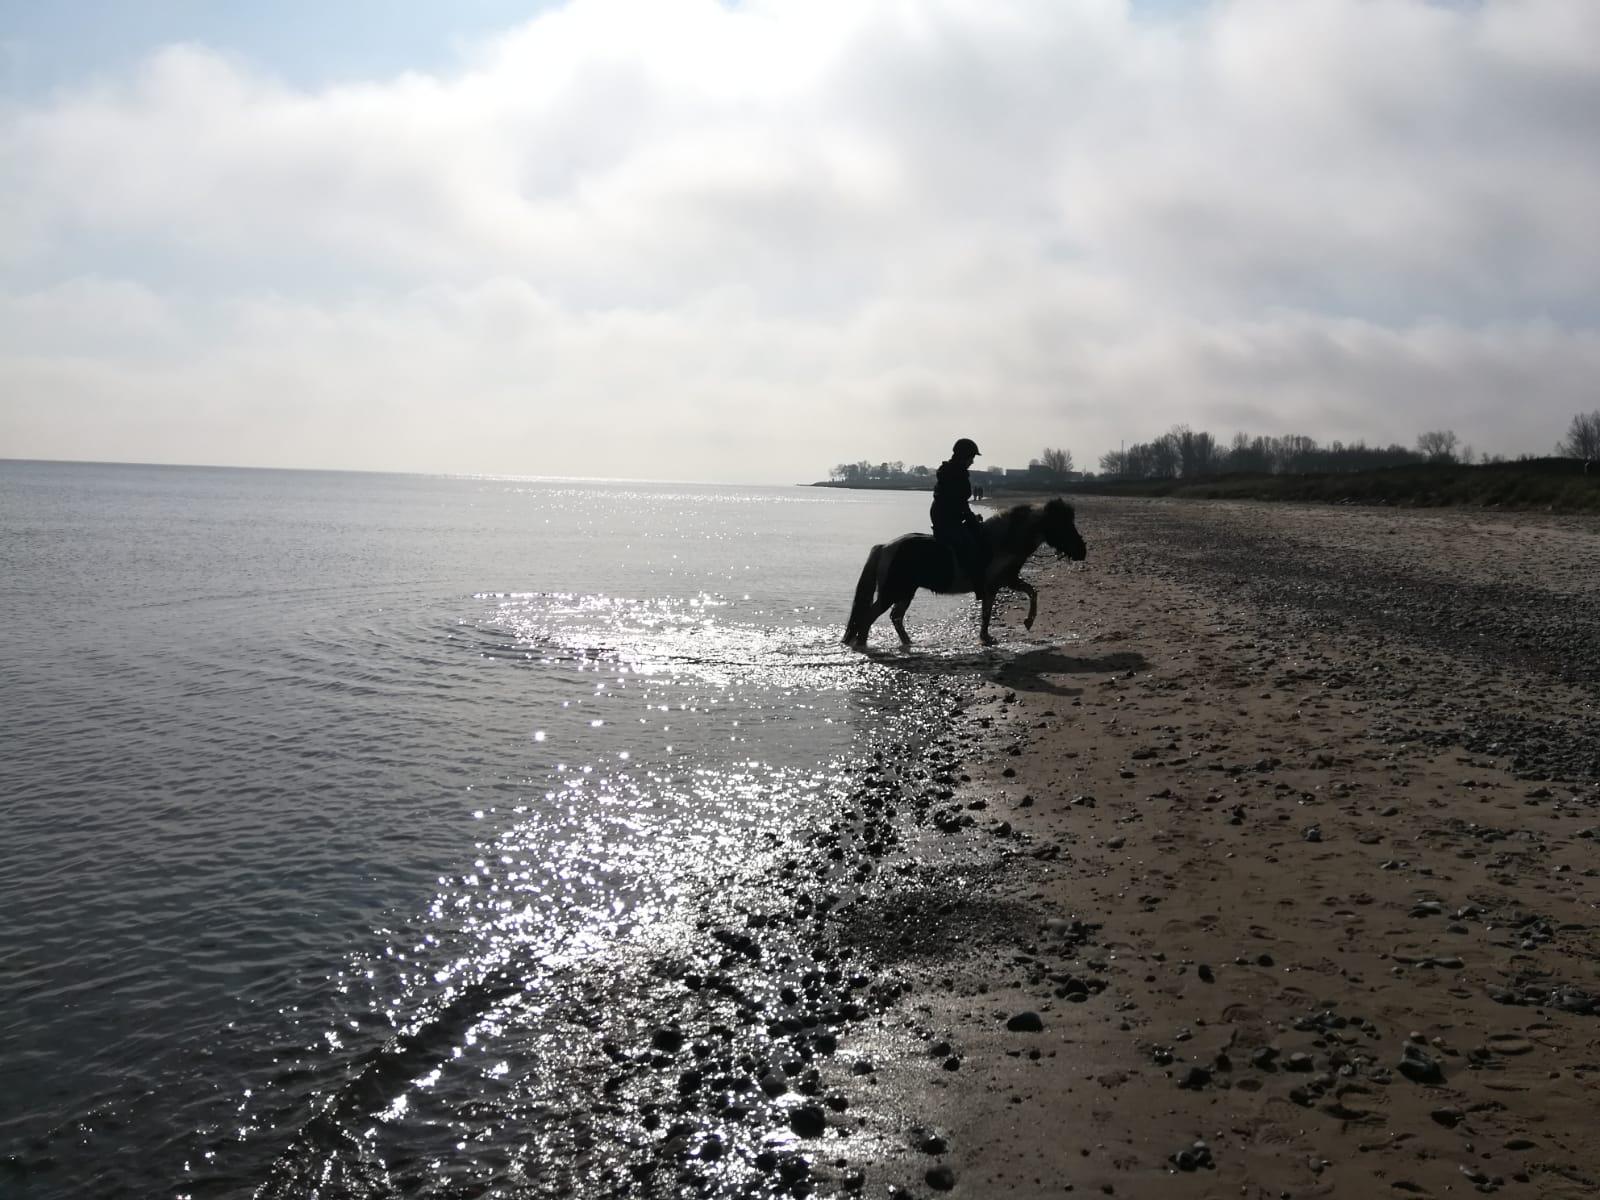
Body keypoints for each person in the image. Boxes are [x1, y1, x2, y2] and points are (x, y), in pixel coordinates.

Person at [930, 437, 989, 585]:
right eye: (971, 458)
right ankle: (969, 579)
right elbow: (960, 503)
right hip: (946, 518)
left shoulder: (952, 471)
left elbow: (959, 503)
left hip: (945, 515)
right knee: (969, 544)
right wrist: (972, 520)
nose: (972, 461)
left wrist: (971, 518)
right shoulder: (956, 473)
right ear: (964, 456)